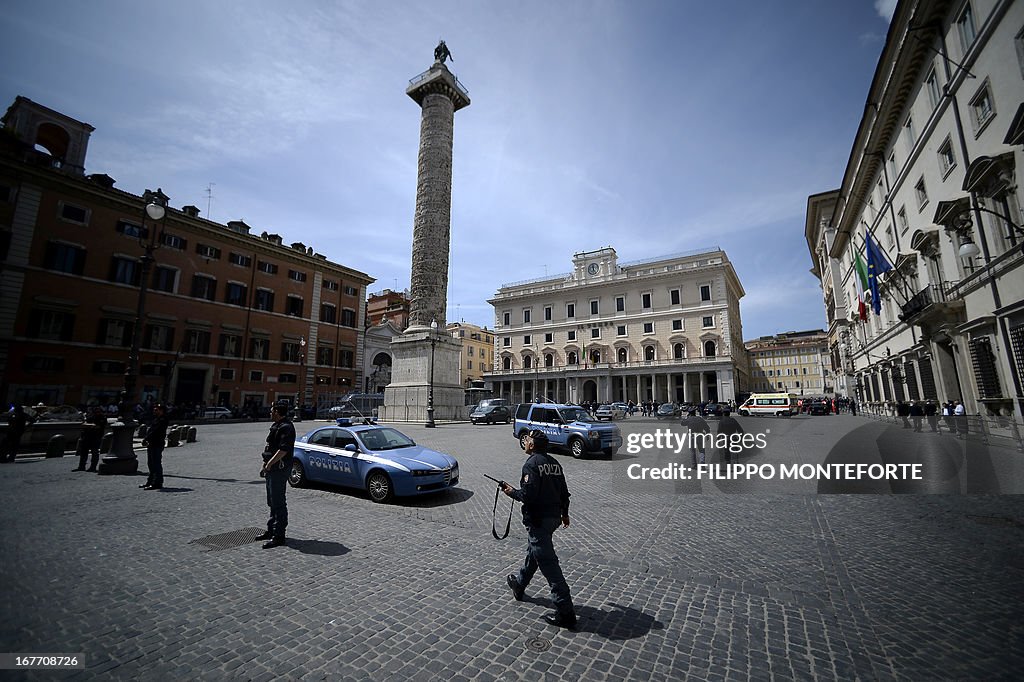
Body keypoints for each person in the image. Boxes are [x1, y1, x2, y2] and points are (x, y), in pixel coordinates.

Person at [501, 429, 576, 629]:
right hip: (553, 519)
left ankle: (565, 610)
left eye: (527, 439)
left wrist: (511, 492)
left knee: (549, 564)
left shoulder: (531, 465)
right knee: (534, 552)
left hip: (538, 519)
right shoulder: (554, 463)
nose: (524, 441)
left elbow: (528, 495)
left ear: (533, 445)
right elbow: (564, 493)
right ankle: (519, 584)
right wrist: (565, 514)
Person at [258, 401, 295, 549]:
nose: (270, 413)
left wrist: (270, 464)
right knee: (271, 500)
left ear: (277, 412)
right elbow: (270, 447)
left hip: (279, 468)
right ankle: (271, 530)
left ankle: (279, 535)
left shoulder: (286, 427)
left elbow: (283, 450)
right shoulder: (276, 426)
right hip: (271, 467)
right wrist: (265, 464)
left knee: (278, 501)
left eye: (272, 410)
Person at [140, 403, 168, 490]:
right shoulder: (157, 419)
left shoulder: (163, 420)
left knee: (156, 464)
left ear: (161, 411)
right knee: (151, 464)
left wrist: (146, 439)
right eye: (154, 409)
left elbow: (155, 431)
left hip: (157, 443)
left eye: (157, 410)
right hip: (152, 443)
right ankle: (150, 481)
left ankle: (157, 483)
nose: (154, 411)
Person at [75, 406, 107, 472]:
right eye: (96, 411)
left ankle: (93, 467)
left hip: (96, 437)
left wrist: (89, 425)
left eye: (98, 411)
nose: (97, 412)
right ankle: (81, 466)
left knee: (94, 452)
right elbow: (83, 424)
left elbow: (97, 426)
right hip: (87, 436)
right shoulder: (91, 416)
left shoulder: (102, 418)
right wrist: (91, 425)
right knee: (84, 452)